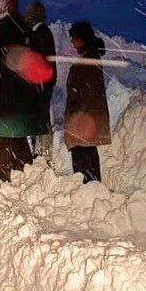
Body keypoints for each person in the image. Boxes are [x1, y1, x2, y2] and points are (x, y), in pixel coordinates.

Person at [0, 0, 40, 179]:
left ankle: (1, 170)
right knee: (17, 135)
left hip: (3, 91)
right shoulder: (25, 29)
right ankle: (24, 166)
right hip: (22, 93)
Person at [64, 21, 111, 184]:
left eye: (74, 38)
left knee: (84, 158)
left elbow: (86, 94)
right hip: (86, 120)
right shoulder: (90, 58)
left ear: (81, 39)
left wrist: (77, 119)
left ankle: (88, 188)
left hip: (84, 122)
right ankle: (90, 186)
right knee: (88, 154)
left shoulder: (87, 62)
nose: (72, 42)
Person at [23, 0, 57, 158]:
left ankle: (44, 151)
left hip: (41, 84)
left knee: (42, 117)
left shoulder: (41, 34)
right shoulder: (42, 32)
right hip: (42, 84)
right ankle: (42, 149)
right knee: (41, 116)